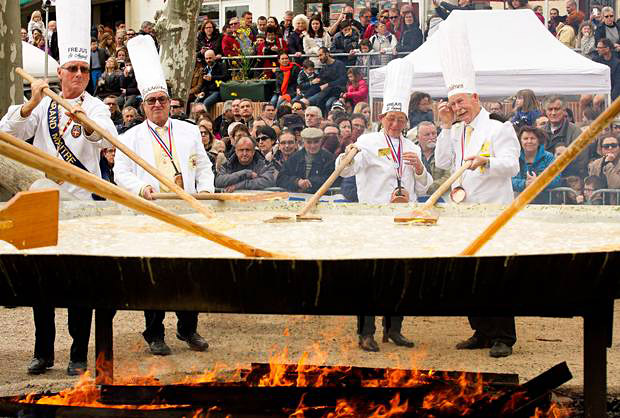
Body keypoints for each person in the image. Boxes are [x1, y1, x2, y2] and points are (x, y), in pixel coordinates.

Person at [0, 0, 118, 376]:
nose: (79, 74)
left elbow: (108, 140)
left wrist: (84, 123)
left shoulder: (97, 107)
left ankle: (79, 354)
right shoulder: (41, 103)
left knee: (80, 284)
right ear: (61, 72)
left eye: (84, 69)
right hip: (43, 201)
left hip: (82, 206)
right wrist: (29, 103)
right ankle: (43, 352)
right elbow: (6, 134)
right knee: (42, 284)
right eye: (72, 69)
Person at [114, 35, 212, 356]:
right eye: (151, 101)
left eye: (162, 100)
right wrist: (141, 188)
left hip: (187, 212)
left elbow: (204, 167)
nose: (157, 105)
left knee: (190, 272)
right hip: (152, 214)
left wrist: (206, 192)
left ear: (171, 102)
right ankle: (155, 333)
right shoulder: (130, 137)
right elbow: (121, 174)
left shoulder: (187, 131)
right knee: (154, 276)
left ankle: (188, 329)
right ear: (143, 106)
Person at [435, 32, 520, 357]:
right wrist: (444, 126)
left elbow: (512, 166)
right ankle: (481, 330)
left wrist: (485, 162)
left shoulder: (499, 128)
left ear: (475, 97)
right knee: (468, 276)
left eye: (461, 103)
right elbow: (442, 162)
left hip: (492, 213)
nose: (457, 108)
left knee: (495, 275)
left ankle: (502, 336)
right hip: (462, 215)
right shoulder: (455, 130)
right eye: (452, 104)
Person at [338, 59, 431, 352]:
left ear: (406, 122)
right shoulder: (366, 141)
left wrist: (418, 169)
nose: (395, 124)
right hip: (374, 218)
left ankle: (395, 329)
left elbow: (426, 186)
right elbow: (345, 171)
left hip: (404, 219)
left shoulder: (413, 146)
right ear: (382, 118)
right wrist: (348, 156)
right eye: (391, 118)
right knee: (369, 277)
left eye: (400, 120)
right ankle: (366, 332)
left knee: (399, 277)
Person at [276, 127, 335, 193]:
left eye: (316, 142)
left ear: (321, 142)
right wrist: (297, 181)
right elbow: (281, 178)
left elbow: (332, 178)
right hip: (297, 197)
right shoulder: (294, 158)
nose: (312, 146)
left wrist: (309, 182)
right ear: (303, 142)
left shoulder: (328, 158)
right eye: (309, 142)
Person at [511, 126, 560, 204]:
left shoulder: (548, 157)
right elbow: (509, 180)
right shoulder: (515, 157)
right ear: (520, 141)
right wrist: (524, 184)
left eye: (533, 138)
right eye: (525, 138)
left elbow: (556, 178)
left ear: (538, 140)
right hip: (519, 203)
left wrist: (538, 182)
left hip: (546, 203)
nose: (529, 141)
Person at [543, 95, 588, 177]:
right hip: (544, 181)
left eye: (557, 109)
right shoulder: (540, 132)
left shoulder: (576, 132)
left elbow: (581, 160)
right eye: (550, 109)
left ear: (564, 111)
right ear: (545, 112)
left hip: (569, 181)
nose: (553, 113)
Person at [308, 48, 347, 113]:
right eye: (318, 56)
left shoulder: (339, 64)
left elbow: (342, 80)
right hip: (326, 93)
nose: (319, 58)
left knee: (328, 104)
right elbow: (319, 81)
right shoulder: (324, 68)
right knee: (312, 100)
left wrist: (328, 84)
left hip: (337, 92)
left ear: (327, 54)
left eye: (321, 55)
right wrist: (315, 81)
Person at [417, 121, 450, 195]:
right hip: (416, 197)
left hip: (441, 197)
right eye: (427, 135)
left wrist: (428, 188)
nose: (431, 137)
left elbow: (449, 175)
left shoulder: (444, 151)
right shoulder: (412, 152)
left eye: (434, 133)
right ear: (418, 138)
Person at [588, 135, 620, 203]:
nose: (610, 148)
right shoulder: (595, 164)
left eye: (613, 145)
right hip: (598, 203)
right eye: (606, 146)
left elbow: (615, 186)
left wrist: (608, 163)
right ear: (601, 150)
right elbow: (592, 186)